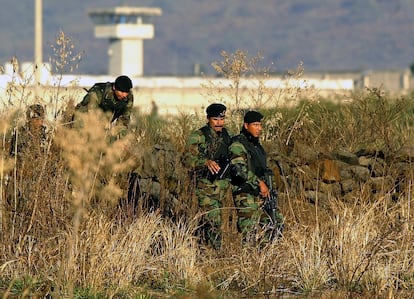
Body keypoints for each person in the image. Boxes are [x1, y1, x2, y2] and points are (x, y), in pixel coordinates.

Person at [228, 110, 284, 245]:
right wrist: (259, 183)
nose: (259, 128)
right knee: (249, 232)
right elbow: (239, 169)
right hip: (246, 194)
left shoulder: (256, 146)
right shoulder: (237, 144)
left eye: (260, 125)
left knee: (276, 223)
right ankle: (248, 262)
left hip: (261, 195)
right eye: (255, 125)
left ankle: (263, 253)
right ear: (246, 126)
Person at [184, 103, 232, 249]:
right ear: (208, 119)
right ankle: (215, 251)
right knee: (213, 220)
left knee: (219, 221)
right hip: (206, 186)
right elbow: (187, 159)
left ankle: (207, 248)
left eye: (222, 119)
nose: (219, 123)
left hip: (222, 187)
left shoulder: (225, 135)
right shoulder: (199, 136)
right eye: (215, 119)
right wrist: (205, 162)